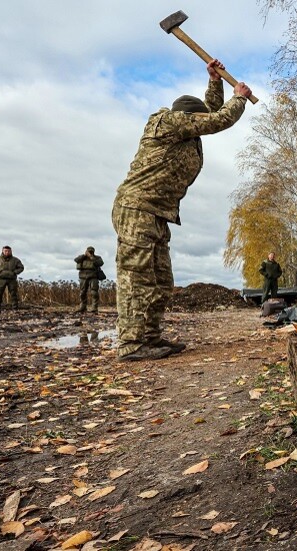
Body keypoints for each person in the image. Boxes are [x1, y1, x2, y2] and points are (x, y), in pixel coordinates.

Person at [112, 59, 253, 362]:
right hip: (136, 209)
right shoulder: (168, 121)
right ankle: (131, 343)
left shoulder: (187, 132)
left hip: (158, 212)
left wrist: (215, 81)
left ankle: (150, 338)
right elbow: (216, 120)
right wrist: (238, 98)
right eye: (196, 120)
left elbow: (209, 114)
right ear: (188, 117)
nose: (199, 125)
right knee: (138, 278)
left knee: (161, 282)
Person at [0, 245, 24, 313]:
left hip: (12, 279)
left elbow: (21, 268)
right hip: (1, 279)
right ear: (2, 251)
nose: (7, 252)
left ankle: (15, 310)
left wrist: (14, 272)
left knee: (14, 294)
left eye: (9, 251)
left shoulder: (15, 260)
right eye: (5, 251)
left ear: (11, 251)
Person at [74, 246, 104, 314]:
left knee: (94, 293)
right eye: (89, 251)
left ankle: (94, 308)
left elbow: (100, 263)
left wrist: (91, 257)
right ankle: (83, 307)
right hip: (83, 277)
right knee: (82, 293)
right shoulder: (82, 257)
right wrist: (84, 255)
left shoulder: (97, 258)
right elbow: (76, 260)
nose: (90, 252)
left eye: (91, 251)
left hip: (93, 276)